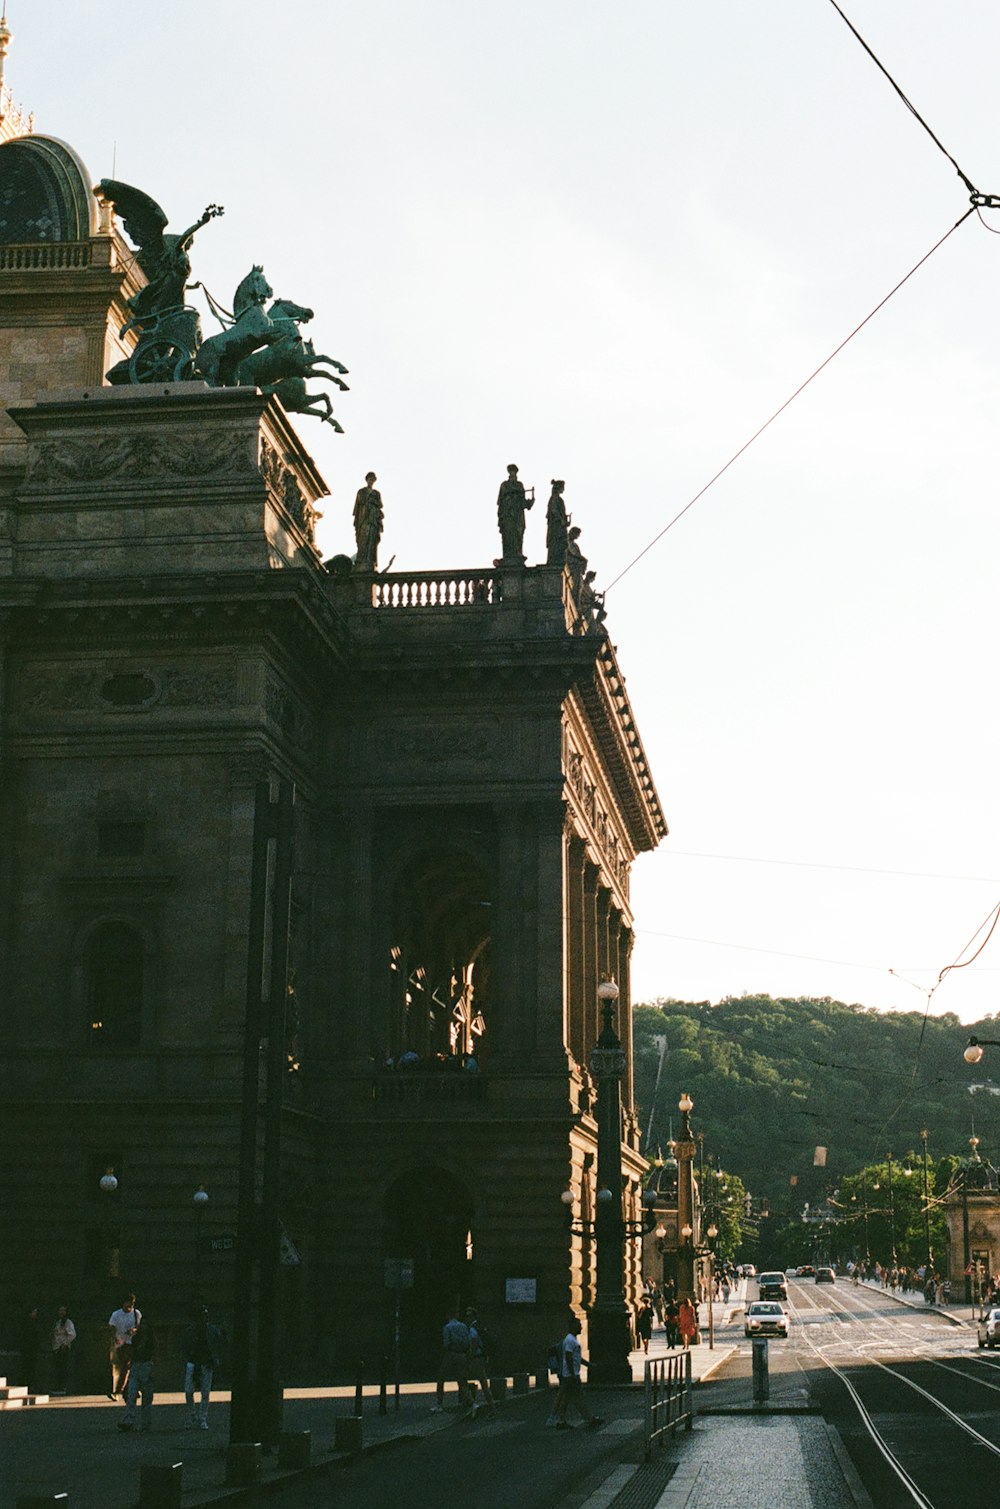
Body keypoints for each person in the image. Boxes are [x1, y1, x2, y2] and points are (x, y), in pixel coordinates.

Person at [553, 1316, 602, 1431]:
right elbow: (569, 1357)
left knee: (567, 1398)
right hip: (571, 1375)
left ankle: (561, 1421)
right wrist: (573, 1375)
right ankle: (590, 1419)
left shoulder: (572, 1339)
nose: (581, 1327)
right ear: (572, 1326)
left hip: (570, 1375)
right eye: (578, 1324)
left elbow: (576, 1357)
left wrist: (588, 1364)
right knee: (579, 1397)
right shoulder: (570, 1340)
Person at [183, 1304, 224, 1429]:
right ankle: (194, 1416)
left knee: (204, 1392)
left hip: (205, 1363)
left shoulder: (211, 1330)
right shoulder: (191, 1331)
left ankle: (201, 1417)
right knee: (189, 1391)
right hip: (195, 1362)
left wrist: (215, 1358)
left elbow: (220, 1343)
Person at [432, 1308, 474, 1414]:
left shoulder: (447, 1327)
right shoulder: (463, 1326)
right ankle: (472, 1402)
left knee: (441, 1378)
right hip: (462, 1355)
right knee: (462, 1380)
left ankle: (439, 1404)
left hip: (451, 1354)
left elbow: (446, 1343)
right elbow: (469, 1341)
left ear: (448, 1316)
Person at [118, 1314, 155, 1433]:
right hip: (137, 1365)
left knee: (146, 1398)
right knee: (131, 1395)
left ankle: (145, 1422)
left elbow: (153, 1354)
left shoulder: (151, 1340)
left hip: (146, 1365)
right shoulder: (136, 1339)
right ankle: (130, 1420)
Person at [496, 463, 534, 565]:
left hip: (518, 515)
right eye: (511, 471)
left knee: (518, 534)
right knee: (508, 534)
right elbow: (500, 501)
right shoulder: (504, 485)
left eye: (514, 471)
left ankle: (518, 554)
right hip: (508, 514)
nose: (512, 473)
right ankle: (508, 556)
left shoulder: (519, 485)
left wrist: (529, 503)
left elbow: (523, 502)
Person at [107, 1292, 140, 1399]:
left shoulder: (136, 1314)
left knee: (127, 1366)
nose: (129, 1306)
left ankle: (119, 1390)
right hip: (120, 1343)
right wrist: (115, 1338)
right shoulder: (116, 1314)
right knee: (124, 1367)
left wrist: (134, 1330)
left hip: (132, 1343)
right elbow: (112, 1327)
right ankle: (130, 1389)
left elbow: (139, 1327)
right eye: (127, 1304)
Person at [464, 1308, 497, 1414]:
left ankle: (473, 1404)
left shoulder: (473, 1329)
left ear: (473, 1317)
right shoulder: (481, 1327)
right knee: (483, 1383)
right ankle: (491, 1407)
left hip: (476, 1358)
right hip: (481, 1357)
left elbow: (473, 1344)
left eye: (469, 1316)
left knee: (463, 1379)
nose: (467, 1318)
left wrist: (470, 1357)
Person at [353, 472, 384, 572]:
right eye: (370, 479)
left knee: (372, 540)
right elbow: (360, 502)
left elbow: (380, 504)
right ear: (366, 480)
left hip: (373, 519)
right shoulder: (361, 491)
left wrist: (373, 502)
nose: (371, 481)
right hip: (363, 519)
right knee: (363, 539)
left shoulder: (376, 493)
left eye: (373, 479)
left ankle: (370, 560)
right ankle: (361, 561)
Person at [50, 1305, 77, 1395]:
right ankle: (57, 1386)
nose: (61, 1312)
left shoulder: (68, 1322)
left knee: (63, 1368)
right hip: (56, 1347)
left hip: (63, 1348)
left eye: (63, 1310)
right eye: (60, 1310)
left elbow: (72, 1334)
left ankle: (62, 1386)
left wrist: (64, 1344)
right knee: (57, 1367)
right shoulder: (57, 1322)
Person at [545, 480, 569, 566]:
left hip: (559, 526)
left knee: (559, 544)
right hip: (556, 527)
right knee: (557, 544)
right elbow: (554, 510)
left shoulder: (557, 498)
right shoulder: (555, 498)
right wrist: (561, 520)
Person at [19, 1305, 40, 1394]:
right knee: (28, 1367)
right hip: (28, 1349)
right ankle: (27, 1383)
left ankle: (29, 1384)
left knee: (30, 1367)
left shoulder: (32, 1323)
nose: (35, 1314)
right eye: (34, 1312)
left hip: (31, 1349)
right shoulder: (28, 1324)